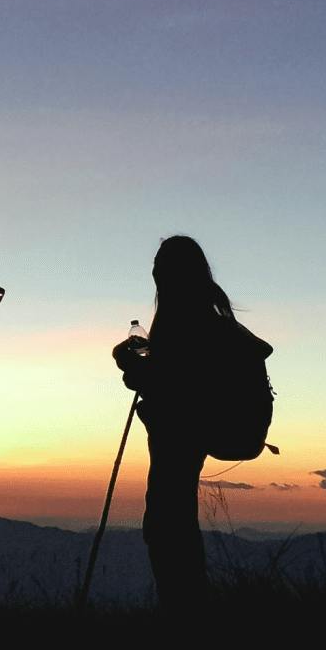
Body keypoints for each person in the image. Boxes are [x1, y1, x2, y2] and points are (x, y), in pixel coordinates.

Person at [112, 236, 267, 611]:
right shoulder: (210, 319)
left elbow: (176, 386)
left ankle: (184, 611)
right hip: (198, 430)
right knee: (172, 521)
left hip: (181, 435)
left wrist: (129, 365)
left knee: (167, 525)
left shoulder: (183, 321)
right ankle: (187, 607)